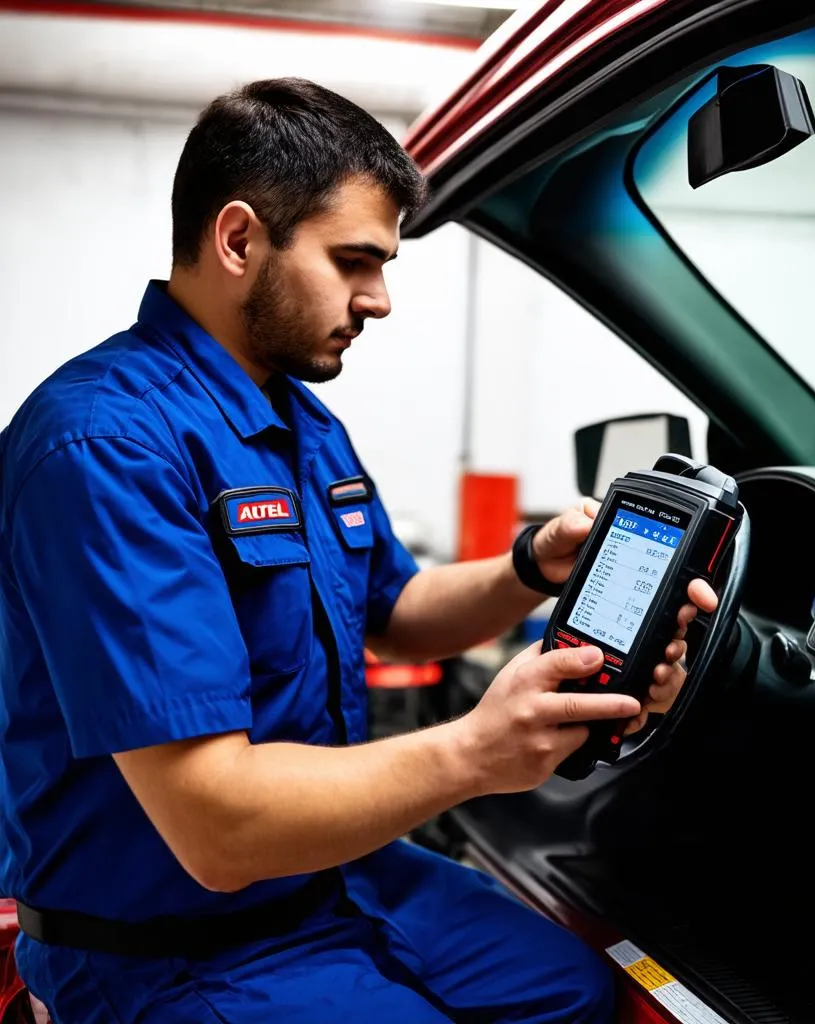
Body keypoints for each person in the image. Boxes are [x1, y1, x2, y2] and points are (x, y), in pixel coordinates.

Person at [0, 78, 718, 1023]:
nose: (378, 299)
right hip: (171, 946)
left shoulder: (301, 424)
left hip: (327, 876)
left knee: (580, 995)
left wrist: (534, 565)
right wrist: (475, 751)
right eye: (354, 262)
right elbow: (216, 825)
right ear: (239, 239)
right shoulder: (104, 447)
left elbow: (397, 609)